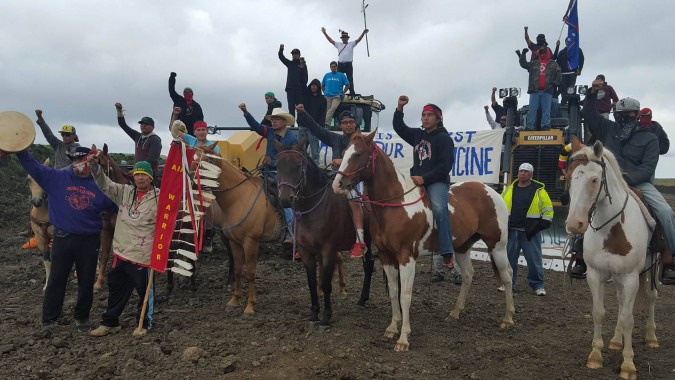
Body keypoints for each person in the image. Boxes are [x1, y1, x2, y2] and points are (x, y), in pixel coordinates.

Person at [576, 83, 675, 282]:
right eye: (619, 113)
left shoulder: (650, 138)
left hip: (640, 183)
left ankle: (670, 258)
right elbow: (588, 111)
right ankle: (578, 252)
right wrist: (593, 93)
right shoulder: (608, 128)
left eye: (627, 113)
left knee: (665, 212)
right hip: (609, 181)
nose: (622, 116)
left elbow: (648, 167)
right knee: (582, 204)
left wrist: (627, 180)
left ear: (636, 114)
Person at [15, 146, 116, 331]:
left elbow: (116, 203)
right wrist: (20, 150)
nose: (79, 165)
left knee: (86, 282)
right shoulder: (56, 178)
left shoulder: (101, 185)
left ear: (93, 162)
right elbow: (34, 167)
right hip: (63, 238)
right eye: (76, 161)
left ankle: (82, 318)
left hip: (89, 240)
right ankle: (49, 319)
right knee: (56, 279)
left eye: (85, 161)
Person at [88, 160, 158, 337]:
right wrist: (95, 168)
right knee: (116, 288)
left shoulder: (161, 197)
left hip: (144, 255)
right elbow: (106, 185)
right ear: (133, 176)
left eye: (144, 175)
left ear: (150, 178)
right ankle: (110, 322)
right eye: (137, 174)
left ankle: (144, 323)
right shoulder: (124, 192)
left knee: (144, 292)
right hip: (121, 252)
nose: (140, 178)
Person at [393, 96, 457, 282]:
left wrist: (425, 178)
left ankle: (446, 251)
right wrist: (399, 109)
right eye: (423, 115)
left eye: (429, 115)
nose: (425, 118)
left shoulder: (444, 139)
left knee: (439, 208)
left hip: (435, 182)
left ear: (438, 118)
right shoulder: (417, 135)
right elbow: (399, 127)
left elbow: (445, 167)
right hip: (417, 181)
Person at [296, 106, 367, 258]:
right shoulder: (335, 138)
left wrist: (341, 161)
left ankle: (360, 241)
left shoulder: (361, 141)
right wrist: (303, 113)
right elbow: (316, 129)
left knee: (354, 200)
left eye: (350, 122)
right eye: (344, 122)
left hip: (353, 179)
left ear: (356, 124)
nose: (348, 125)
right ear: (340, 125)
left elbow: (361, 160)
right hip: (334, 178)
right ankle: (305, 240)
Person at [238, 104, 298, 245]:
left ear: (284, 122)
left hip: (282, 175)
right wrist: (246, 113)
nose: (273, 121)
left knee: (286, 204)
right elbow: (256, 126)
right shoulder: (270, 132)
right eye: (272, 119)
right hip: (266, 172)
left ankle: (292, 233)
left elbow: (291, 161)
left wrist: (274, 161)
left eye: (277, 119)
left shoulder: (292, 139)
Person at [501, 163, 553, 295]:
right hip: (512, 231)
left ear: (531, 175)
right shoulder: (508, 190)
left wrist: (538, 227)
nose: (523, 173)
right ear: (517, 173)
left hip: (530, 233)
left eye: (526, 171)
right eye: (521, 171)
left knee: (534, 260)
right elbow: (500, 206)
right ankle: (508, 284)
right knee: (509, 260)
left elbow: (548, 211)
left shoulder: (539, 191)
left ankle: (538, 286)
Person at [518, 43, 561, 130]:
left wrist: (555, 83)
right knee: (532, 111)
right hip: (534, 91)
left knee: (546, 111)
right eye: (541, 52)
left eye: (544, 52)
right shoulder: (534, 63)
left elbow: (559, 74)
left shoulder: (553, 64)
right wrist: (523, 54)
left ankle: (545, 126)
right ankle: (530, 127)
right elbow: (524, 64)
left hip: (547, 91)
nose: (542, 54)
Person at [115, 102, 162, 182]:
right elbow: (123, 125)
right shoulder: (138, 136)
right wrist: (119, 111)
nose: (143, 126)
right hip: (137, 173)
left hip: (151, 174)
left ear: (153, 127)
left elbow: (152, 159)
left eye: (146, 124)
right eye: (142, 124)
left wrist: (137, 169)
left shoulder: (155, 139)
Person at [320, 28, 368, 96]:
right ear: (342, 38)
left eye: (345, 37)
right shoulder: (338, 44)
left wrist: (363, 33)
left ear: (347, 38)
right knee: (338, 78)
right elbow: (330, 40)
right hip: (340, 64)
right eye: (343, 37)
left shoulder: (351, 44)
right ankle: (338, 92)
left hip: (348, 64)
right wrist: (325, 33)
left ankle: (352, 93)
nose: (344, 39)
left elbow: (358, 40)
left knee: (350, 79)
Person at [298, 79, 326, 164]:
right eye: (312, 85)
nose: (313, 87)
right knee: (300, 151)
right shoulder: (305, 97)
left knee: (315, 152)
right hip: (303, 126)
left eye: (315, 85)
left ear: (318, 87)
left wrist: (319, 127)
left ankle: (315, 169)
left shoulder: (323, 99)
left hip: (314, 128)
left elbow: (323, 115)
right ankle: (300, 167)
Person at [278, 45, 308, 119]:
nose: (294, 55)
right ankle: (292, 126)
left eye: (296, 54)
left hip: (299, 90)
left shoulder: (303, 65)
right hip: (290, 89)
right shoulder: (290, 63)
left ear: (299, 54)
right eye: (293, 54)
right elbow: (281, 57)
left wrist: (302, 68)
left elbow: (305, 80)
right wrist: (281, 49)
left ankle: (300, 124)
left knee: (300, 108)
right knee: (291, 108)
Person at [552, 37, 585, 104]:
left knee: (571, 89)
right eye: (567, 41)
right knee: (563, 89)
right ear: (565, 42)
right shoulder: (562, 52)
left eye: (570, 41)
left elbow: (581, 59)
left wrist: (580, 69)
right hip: (563, 74)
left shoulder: (577, 50)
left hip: (573, 73)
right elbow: (558, 63)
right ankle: (563, 102)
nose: (568, 43)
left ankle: (571, 103)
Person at [322, 61, 350, 126]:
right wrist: (325, 92)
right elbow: (322, 85)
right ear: (330, 67)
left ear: (336, 67)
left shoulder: (341, 75)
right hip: (327, 96)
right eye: (332, 66)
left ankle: (324, 122)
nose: (333, 68)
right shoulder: (327, 75)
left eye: (334, 66)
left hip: (337, 96)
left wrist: (343, 92)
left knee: (333, 108)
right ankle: (327, 125)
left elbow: (348, 85)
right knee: (327, 110)